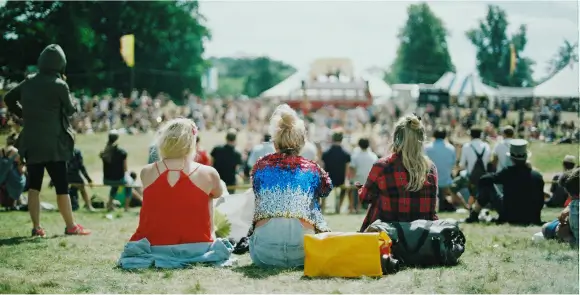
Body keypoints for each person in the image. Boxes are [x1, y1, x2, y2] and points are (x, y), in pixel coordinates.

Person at [119, 118, 232, 269]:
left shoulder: (147, 172)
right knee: (216, 191)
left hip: (154, 247)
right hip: (199, 247)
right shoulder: (208, 173)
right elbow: (218, 194)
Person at [3, 44, 90, 237]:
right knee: (61, 184)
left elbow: (9, 98)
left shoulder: (28, 82)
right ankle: (70, 226)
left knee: (34, 186)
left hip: (32, 141)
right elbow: (70, 110)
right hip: (55, 144)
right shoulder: (60, 84)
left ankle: (36, 228)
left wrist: (23, 114)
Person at [250, 104, 332, 268]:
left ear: (274, 143)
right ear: (302, 143)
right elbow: (326, 188)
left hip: (264, 253)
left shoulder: (260, 166)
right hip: (304, 252)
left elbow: (256, 191)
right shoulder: (313, 169)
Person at [358, 114, 438, 232]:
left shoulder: (382, 166)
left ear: (396, 138)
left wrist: (360, 189)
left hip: (389, 236)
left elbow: (365, 199)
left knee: (378, 201)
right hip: (422, 236)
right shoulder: (430, 167)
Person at [464, 139, 544, 225]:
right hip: (532, 217)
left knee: (488, 187)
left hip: (509, 215)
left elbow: (483, 179)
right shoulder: (537, 176)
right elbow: (540, 202)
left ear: (511, 158)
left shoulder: (508, 173)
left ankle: (474, 214)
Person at [424, 127, 466, 212]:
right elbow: (453, 164)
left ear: (434, 136)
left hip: (429, 180)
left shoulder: (427, 148)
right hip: (445, 180)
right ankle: (467, 207)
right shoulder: (451, 148)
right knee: (448, 187)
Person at [458, 127, 491, 206]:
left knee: (454, 186)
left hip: (471, 177)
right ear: (481, 135)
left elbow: (461, 165)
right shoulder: (486, 146)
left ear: (471, 135)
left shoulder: (467, 146)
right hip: (484, 176)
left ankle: (467, 205)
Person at [100, 130, 131, 212]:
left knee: (116, 184)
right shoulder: (122, 152)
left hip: (106, 180)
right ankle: (126, 207)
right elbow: (125, 169)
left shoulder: (104, 152)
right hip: (118, 179)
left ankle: (110, 205)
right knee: (129, 184)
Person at [322, 129, 351, 214]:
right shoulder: (346, 154)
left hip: (328, 179)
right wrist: (346, 180)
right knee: (344, 189)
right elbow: (347, 169)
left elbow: (323, 168)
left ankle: (323, 206)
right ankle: (339, 207)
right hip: (340, 180)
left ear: (332, 139)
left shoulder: (326, 153)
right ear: (342, 139)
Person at [349, 138, 378, 213]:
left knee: (352, 188)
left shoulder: (355, 156)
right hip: (370, 180)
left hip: (358, 179)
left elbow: (352, 168)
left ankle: (352, 208)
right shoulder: (373, 156)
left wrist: (350, 179)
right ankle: (361, 207)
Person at [211, 129, 242, 194]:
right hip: (230, 183)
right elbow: (237, 168)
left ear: (226, 138)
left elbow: (211, 162)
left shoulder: (217, 149)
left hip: (217, 180)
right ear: (235, 139)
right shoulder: (237, 153)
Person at [0, 133, 26, 209]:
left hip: (2, 179)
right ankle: (16, 201)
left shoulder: (1, 150)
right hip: (12, 180)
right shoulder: (17, 152)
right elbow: (21, 170)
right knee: (23, 179)